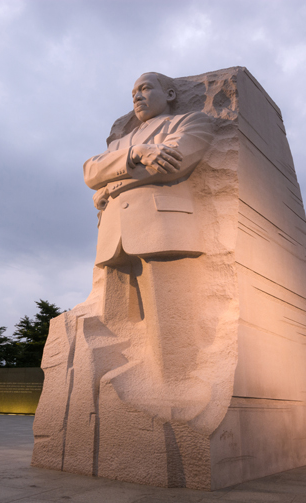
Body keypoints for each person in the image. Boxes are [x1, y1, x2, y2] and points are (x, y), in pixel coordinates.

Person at [81, 72, 215, 424]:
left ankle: (179, 390)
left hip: (161, 226)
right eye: (132, 93)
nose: (137, 97)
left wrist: (110, 188)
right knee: (114, 320)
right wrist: (138, 153)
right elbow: (90, 171)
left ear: (169, 94)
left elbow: (174, 164)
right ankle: (116, 394)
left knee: (168, 315)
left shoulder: (190, 121)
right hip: (115, 237)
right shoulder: (120, 143)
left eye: (144, 89)